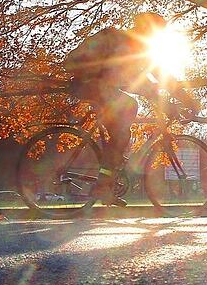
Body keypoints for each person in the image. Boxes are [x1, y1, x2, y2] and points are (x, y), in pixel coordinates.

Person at [62, 12, 199, 206]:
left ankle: (107, 183)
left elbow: (160, 77)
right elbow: (142, 82)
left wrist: (185, 99)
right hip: (89, 84)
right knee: (127, 113)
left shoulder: (135, 47)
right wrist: (173, 104)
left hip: (95, 85)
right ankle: (103, 185)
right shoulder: (128, 46)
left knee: (122, 125)